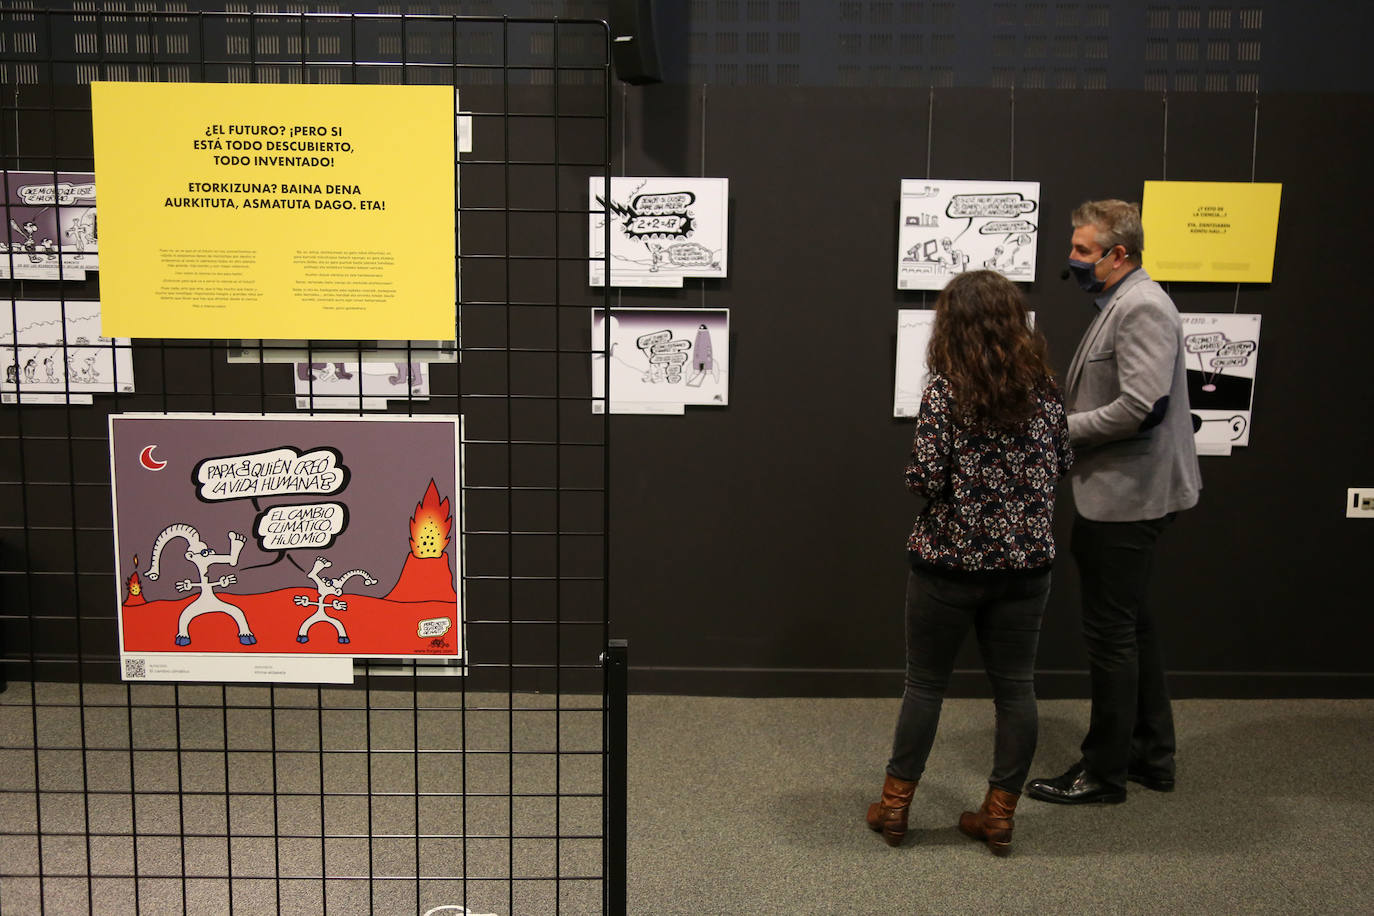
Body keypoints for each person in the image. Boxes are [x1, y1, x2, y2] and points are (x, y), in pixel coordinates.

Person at [866, 270, 1073, 855]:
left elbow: (926, 478)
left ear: (950, 327)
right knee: (1016, 689)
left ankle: (897, 808)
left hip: (949, 564)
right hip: (1026, 566)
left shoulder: (945, 391)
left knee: (925, 685)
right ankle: (999, 816)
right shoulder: (1047, 390)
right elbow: (1062, 463)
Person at [1025, 199, 1201, 806]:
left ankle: (1103, 773)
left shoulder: (1143, 307)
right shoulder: (1124, 303)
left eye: (1082, 250)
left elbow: (1141, 407)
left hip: (1128, 497)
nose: (1071, 259)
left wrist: (1058, 430)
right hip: (1124, 491)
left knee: (1111, 636)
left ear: (1118, 254)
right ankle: (1152, 757)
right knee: (1133, 627)